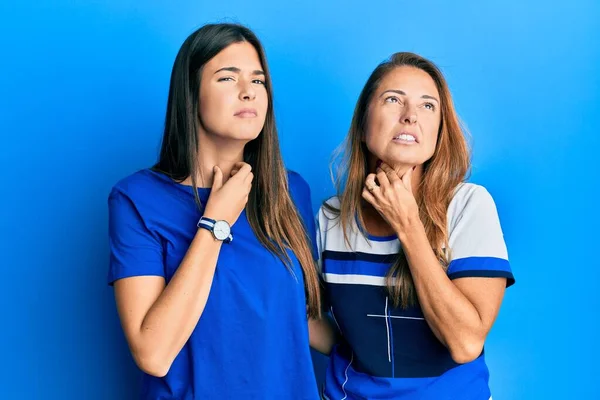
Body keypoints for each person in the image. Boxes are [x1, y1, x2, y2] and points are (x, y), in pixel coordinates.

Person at [107, 23, 321, 399]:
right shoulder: (136, 199)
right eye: (227, 78)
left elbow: (299, 319)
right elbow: (153, 354)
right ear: (191, 94)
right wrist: (215, 222)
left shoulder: (291, 192)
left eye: (258, 81)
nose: (248, 93)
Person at [312, 52, 515, 399]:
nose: (410, 117)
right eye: (393, 100)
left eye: (427, 106)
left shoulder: (469, 205)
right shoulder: (330, 217)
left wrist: (408, 226)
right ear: (363, 124)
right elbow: (317, 324)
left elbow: (465, 343)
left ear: (438, 131)